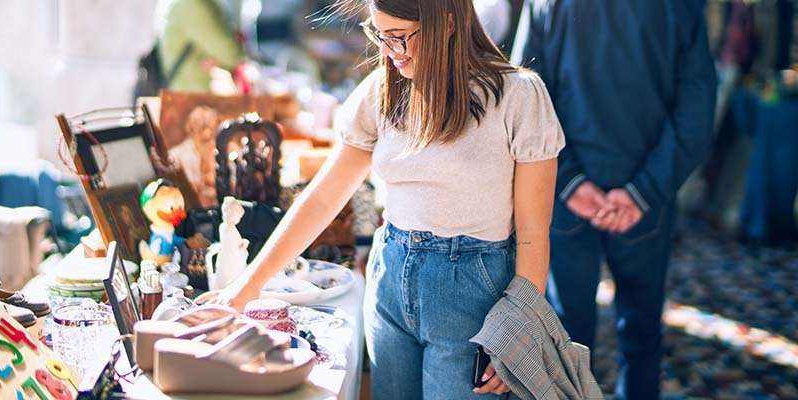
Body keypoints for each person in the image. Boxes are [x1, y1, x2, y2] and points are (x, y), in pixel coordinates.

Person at [199, 0, 565, 398]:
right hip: (390, 276)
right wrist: (246, 286)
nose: (392, 51)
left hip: (474, 294)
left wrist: (519, 327)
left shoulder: (519, 95)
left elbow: (533, 232)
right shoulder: (383, 89)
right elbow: (322, 199)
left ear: (446, 23)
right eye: (380, 35)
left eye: (401, 37)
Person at [512, 0, 717, 398]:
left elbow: (523, 94)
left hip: (567, 190)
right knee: (640, 330)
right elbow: (697, 108)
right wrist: (645, 190)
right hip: (640, 194)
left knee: (563, 338)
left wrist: (569, 181)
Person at [155, 0, 245, 92]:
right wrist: (222, 58)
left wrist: (218, 60)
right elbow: (232, 54)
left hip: (191, 94)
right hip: (192, 98)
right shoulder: (194, 5)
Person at [169, 106, 220, 206]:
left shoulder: (219, 149)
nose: (209, 133)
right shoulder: (177, 154)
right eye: (206, 126)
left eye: (212, 127)